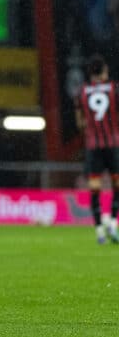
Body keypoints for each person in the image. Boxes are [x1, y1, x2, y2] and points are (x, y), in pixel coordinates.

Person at [75, 54, 119, 244]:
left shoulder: (82, 92)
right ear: (104, 71)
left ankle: (100, 231)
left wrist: (92, 127)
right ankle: (112, 223)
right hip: (114, 145)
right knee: (117, 187)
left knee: (95, 190)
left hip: (93, 147)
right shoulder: (114, 89)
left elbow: (81, 123)